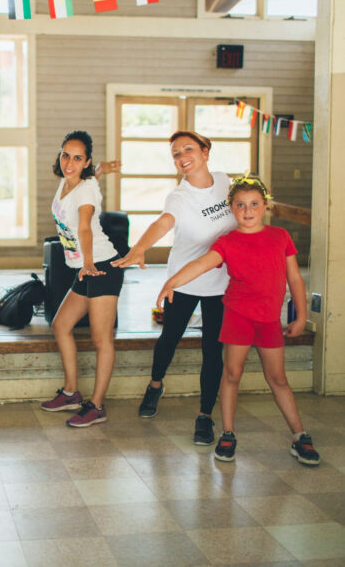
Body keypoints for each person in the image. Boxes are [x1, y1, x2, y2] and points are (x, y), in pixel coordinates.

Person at [156, 177, 320, 466]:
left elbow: (294, 278)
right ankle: (228, 433)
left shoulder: (280, 237)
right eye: (241, 205)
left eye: (254, 204)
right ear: (231, 208)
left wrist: (302, 316)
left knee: (279, 379)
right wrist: (172, 281)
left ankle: (299, 436)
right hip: (238, 316)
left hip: (269, 319)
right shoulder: (228, 241)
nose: (248, 210)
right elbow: (200, 264)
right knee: (231, 375)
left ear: (265, 206)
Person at [112, 131, 235, 446]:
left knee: (212, 350)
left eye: (188, 149)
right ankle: (155, 386)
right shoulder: (179, 197)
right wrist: (140, 247)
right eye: (176, 154)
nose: (182, 157)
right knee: (169, 338)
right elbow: (163, 223)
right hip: (183, 280)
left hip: (222, 283)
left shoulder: (225, 182)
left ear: (206, 151)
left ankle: (205, 416)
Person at [41, 130, 125, 428]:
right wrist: (101, 169)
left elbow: (86, 227)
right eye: (66, 155)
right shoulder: (73, 181)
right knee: (61, 325)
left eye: (77, 158)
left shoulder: (85, 190)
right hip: (84, 267)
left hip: (101, 265)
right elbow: (91, 181)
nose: (69, 162)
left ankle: (97, 406)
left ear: (85, 161)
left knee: (101, 339)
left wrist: (87, 261)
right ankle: (71, 393)